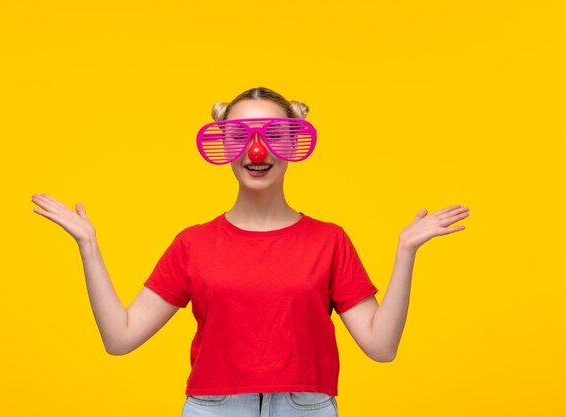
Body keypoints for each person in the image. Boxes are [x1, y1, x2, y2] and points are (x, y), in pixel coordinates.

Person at [31, 87, 470, 417]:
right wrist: (88, 245)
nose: (256, 151)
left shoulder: (329, 240)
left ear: (293, 143)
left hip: (307, 409)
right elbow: (119, 337)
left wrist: (406, 251)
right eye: (240, 135)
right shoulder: (192, 243)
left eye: (273, 135)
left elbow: (381, 346)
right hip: (213, 410)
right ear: (223, 145)